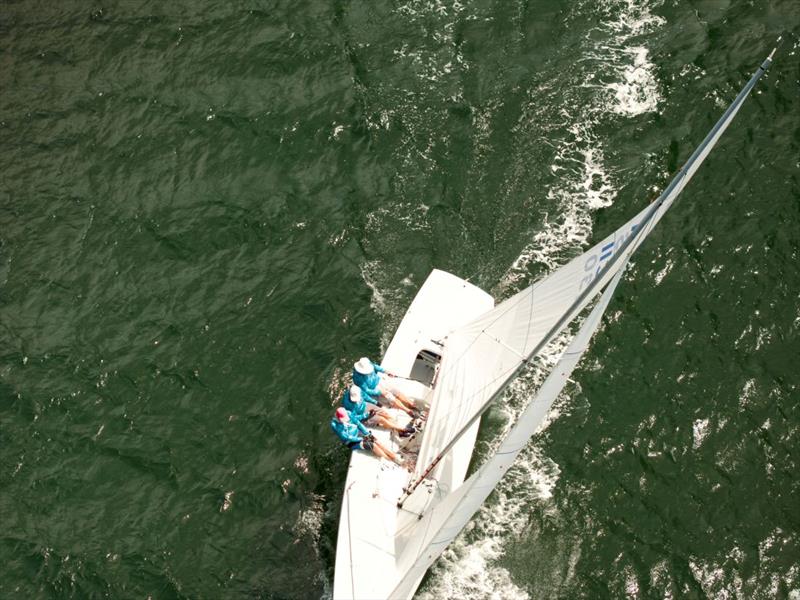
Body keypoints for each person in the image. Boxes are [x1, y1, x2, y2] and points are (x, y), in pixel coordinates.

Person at [330, 407, 402, 464]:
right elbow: (347, 437)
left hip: (359, 433)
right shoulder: (334, 425)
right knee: (372, 445)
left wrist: (367, 434)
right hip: (351, 441)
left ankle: (394, 457)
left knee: (376, 441)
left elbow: (358, 423)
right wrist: (362, 439)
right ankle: (388, 460)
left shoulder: (348, 413)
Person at [352, 357, 419, 418]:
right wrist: (379, 392)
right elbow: (366, 390)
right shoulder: (357, 378)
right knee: (391, 399)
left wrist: (386, 371)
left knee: (396, 392)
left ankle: (412, 404)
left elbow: (375, 367)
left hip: (380, 381)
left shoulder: (366, 362)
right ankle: (408, 411)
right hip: (374, 389)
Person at [343, 385, 416, 438]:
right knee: (382, 420)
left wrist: (375, 402)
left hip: (367, 405)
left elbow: (366, 397)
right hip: (363, 415)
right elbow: (354, 417)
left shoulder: (358, 389)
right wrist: (366, 415)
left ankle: (400, 432)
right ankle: (403, 429)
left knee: (386, 415)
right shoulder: (346, 404)